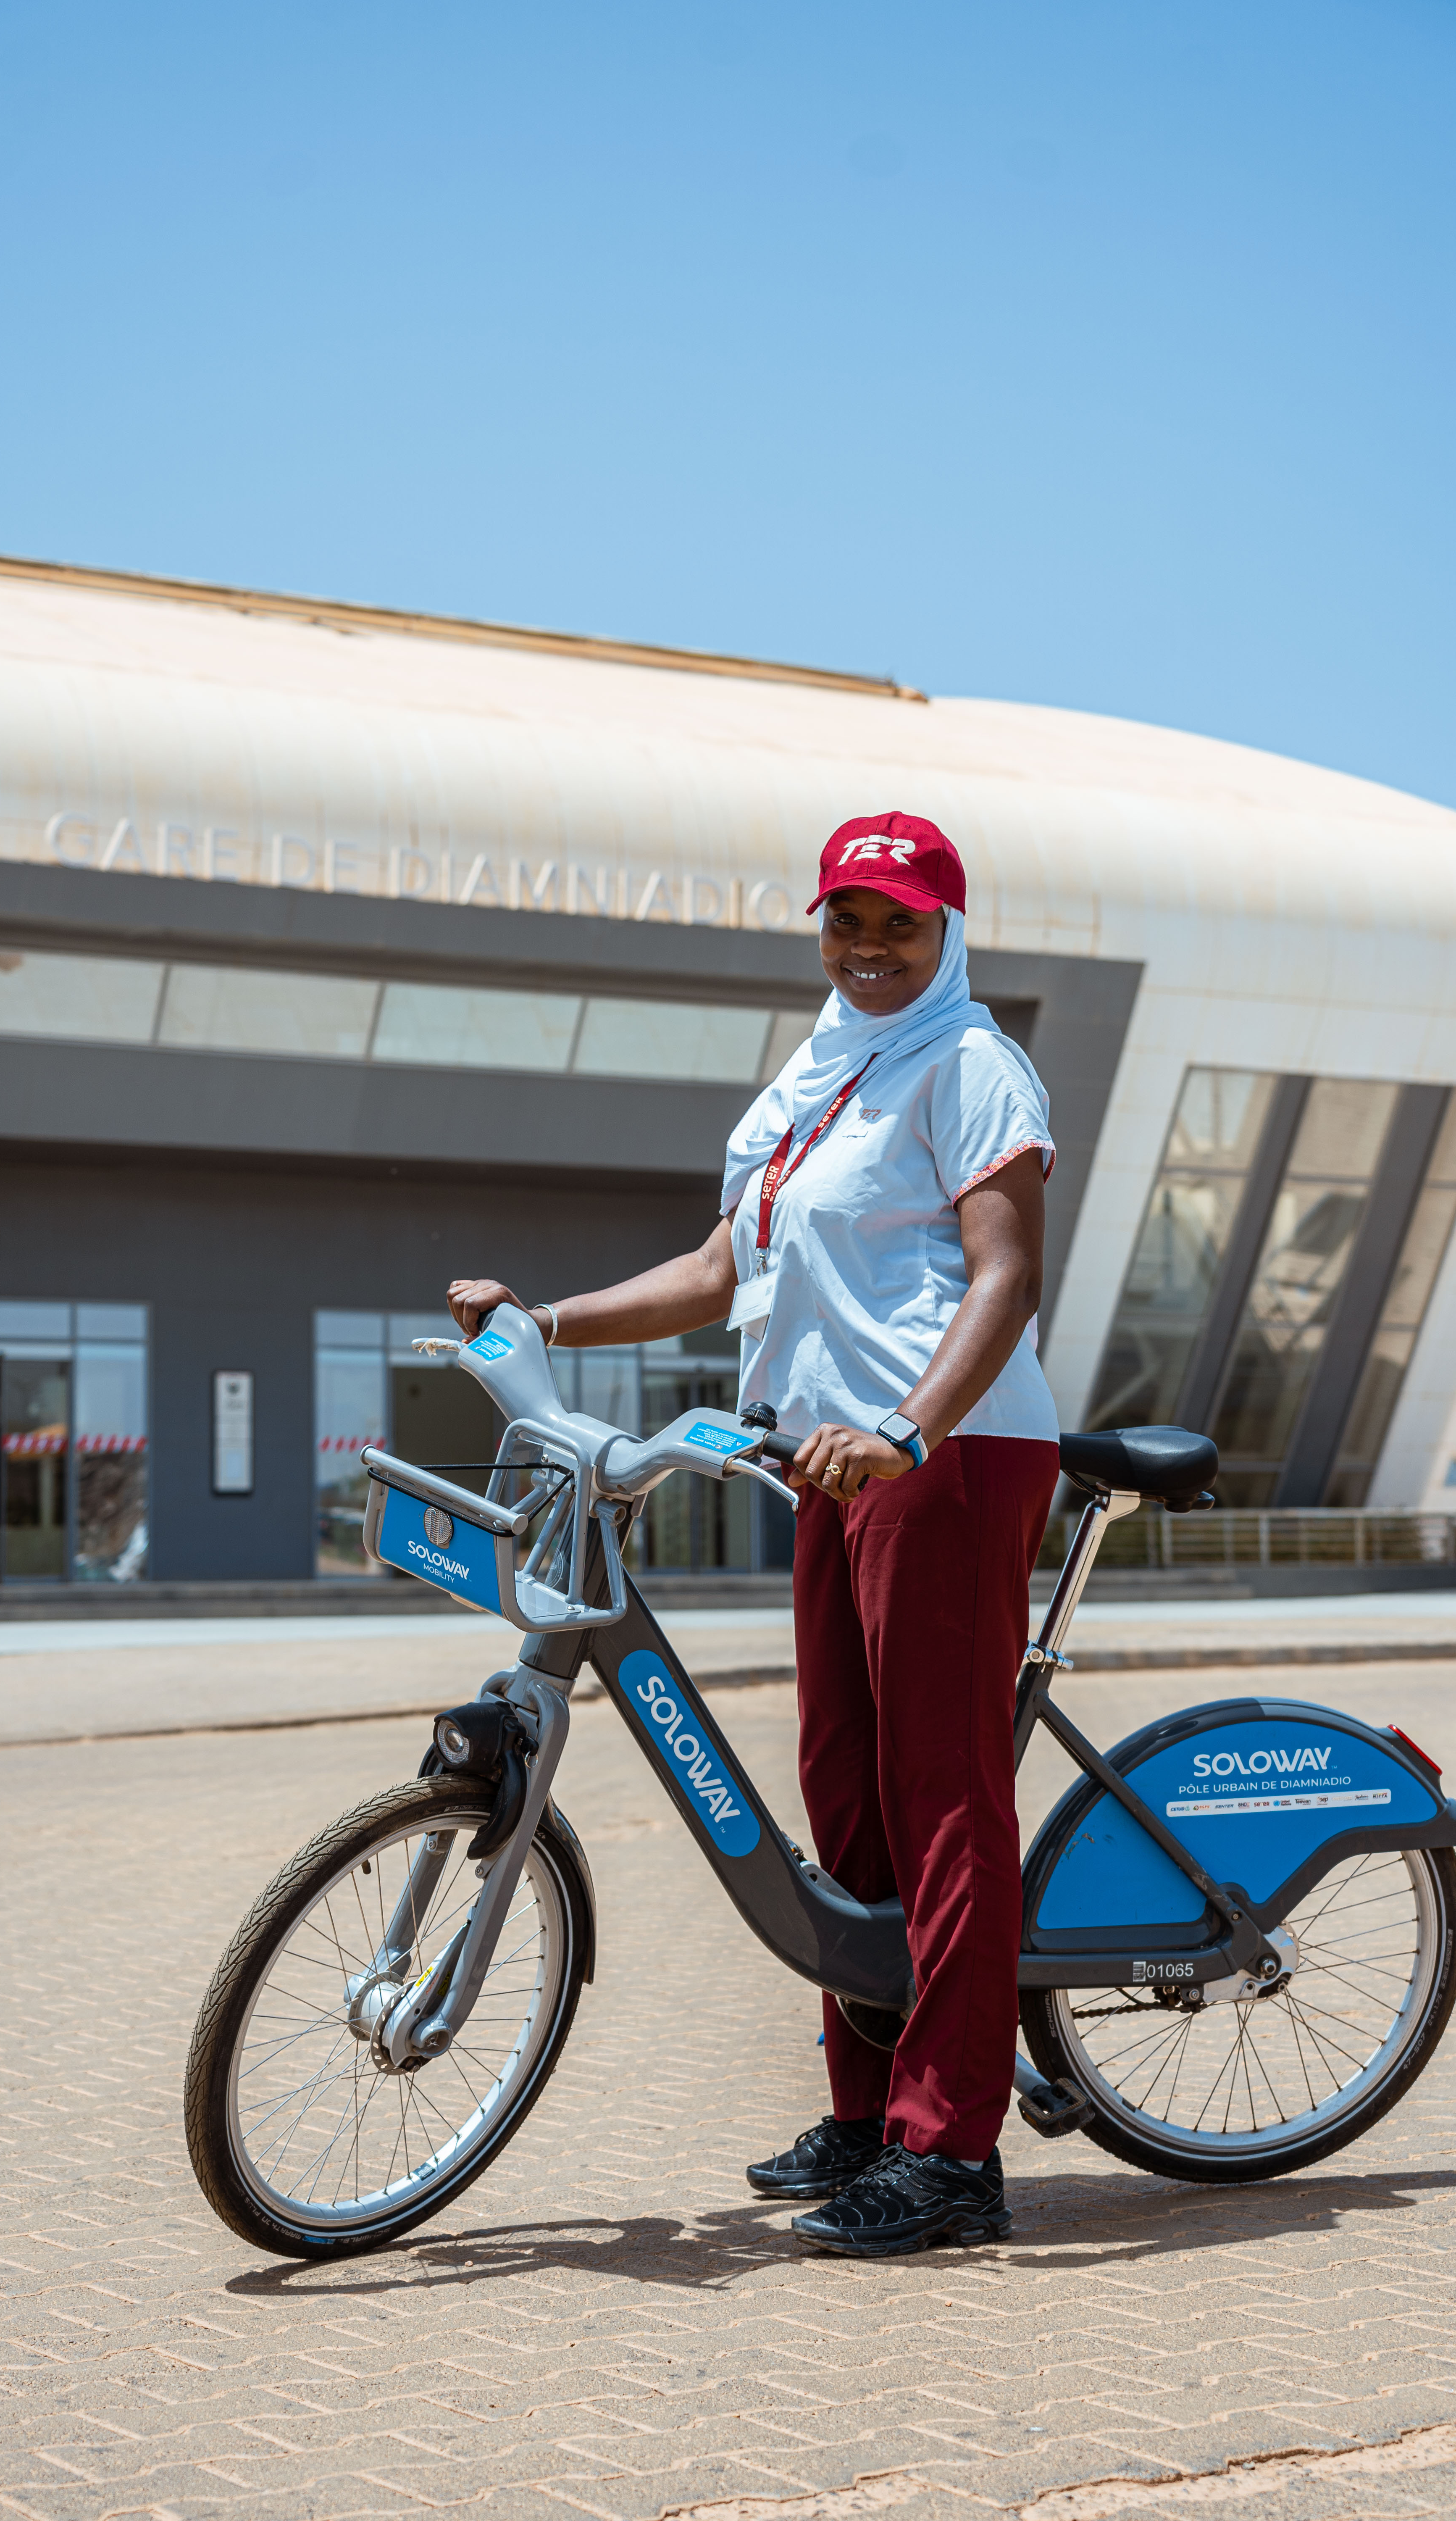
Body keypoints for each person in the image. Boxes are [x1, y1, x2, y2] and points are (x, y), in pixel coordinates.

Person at [447, 811, 1060, 2258]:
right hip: (823, 1467)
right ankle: (867, 2115)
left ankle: (953, 2150)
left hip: (946, 1456)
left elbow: (1007, 1276)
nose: (868, 945)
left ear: (949, 932)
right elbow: (723, 1268)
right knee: (843, 1800)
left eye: (898, 923)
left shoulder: (970, 1065)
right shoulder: (813, 1079)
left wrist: (910, 1428)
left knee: (942, 1796)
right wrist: (551, 1319)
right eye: (846, 920)